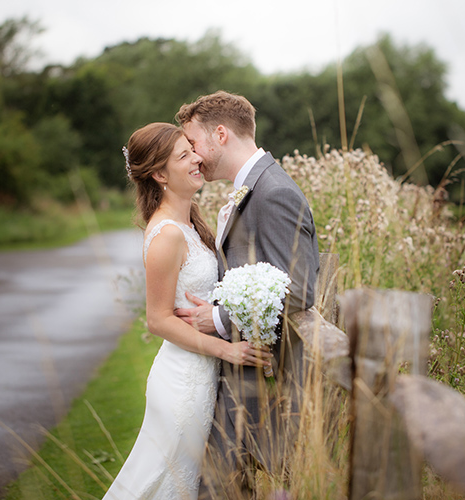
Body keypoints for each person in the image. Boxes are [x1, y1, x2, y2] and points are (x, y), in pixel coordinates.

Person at [103, 123, 271, 500]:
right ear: (160, 174)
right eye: (184, 155)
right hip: (182, 383)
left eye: (191, 149)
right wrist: (228, 349)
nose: (197, 158)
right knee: (163, 482)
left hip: (199, 375)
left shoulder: (188, 222)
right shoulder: (167, 234)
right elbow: (158, 319)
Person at [174, 91, 320, 496]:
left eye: (194, 143)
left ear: (221, 134)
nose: (194, 155)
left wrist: (217, 318)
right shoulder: (250, 187)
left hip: (262, 383)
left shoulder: (273, 192)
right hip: (239, 375)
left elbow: (300, 288)